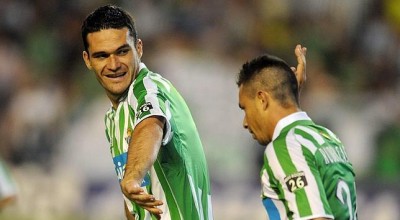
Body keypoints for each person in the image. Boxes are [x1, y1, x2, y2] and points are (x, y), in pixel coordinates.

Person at [81, 5, 213, 220]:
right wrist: (131, 185)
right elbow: (134, 203)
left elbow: (150, 126)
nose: (114, 65)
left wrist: (132, 177)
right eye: (102, 56)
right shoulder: (113, 118)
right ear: (88, 60)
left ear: (139, 49)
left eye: (122, 51)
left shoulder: (151, 89)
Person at [236, 48, 358, 220]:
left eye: (245, 109)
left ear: (262, 99)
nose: (245, 122)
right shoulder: (326, 137)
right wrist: (290, 93)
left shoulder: (287, 146)